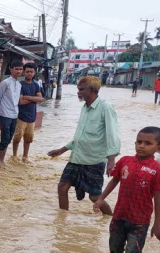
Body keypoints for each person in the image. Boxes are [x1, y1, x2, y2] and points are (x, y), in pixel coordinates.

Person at [93, 127, 160, 253]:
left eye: (147, 143)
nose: (141, 146)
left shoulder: (157, 170)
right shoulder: (125, 161)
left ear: (159, 147)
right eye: (139, 142)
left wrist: (157, 224)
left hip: (139, 222)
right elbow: (114, 180)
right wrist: (101, 198)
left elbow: (158, 198)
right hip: (119, 217)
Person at [47, 76, 121, 215]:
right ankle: (62, 221)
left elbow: (113, 134)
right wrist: (62, 150)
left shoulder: (105, 107)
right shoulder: (84, 108)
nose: (78, 93)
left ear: (92, 90)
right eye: (78, 89)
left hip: (94, 159)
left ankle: (110, 219)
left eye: (81, 89)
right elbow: (80, 136)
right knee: (62, 187)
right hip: (77, 157)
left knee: (94, 196)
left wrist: (111, 159)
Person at [12, 63, 44, 162]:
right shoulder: (20, 84)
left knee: (28, 139)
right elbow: (21, 101)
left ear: (34, 73)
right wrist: (34, 98)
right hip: (21, 116)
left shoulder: (36, 85)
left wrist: (28, 97)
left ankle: (25, 157)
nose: (29, 73)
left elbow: (41, 99)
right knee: (17, 138)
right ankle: (14, 156)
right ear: (24, 72)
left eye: (31, 72)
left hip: (32, 117)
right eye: (27, 71)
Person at [0, 60, 23, 168]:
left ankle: (2, 161)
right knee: (4, 138)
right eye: (16, 69)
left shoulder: (19, 84)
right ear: (11, 69)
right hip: (5, 113)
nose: (18, 71)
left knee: (9, 138)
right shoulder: (5, 82)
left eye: (20, 69)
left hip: (14, 114)